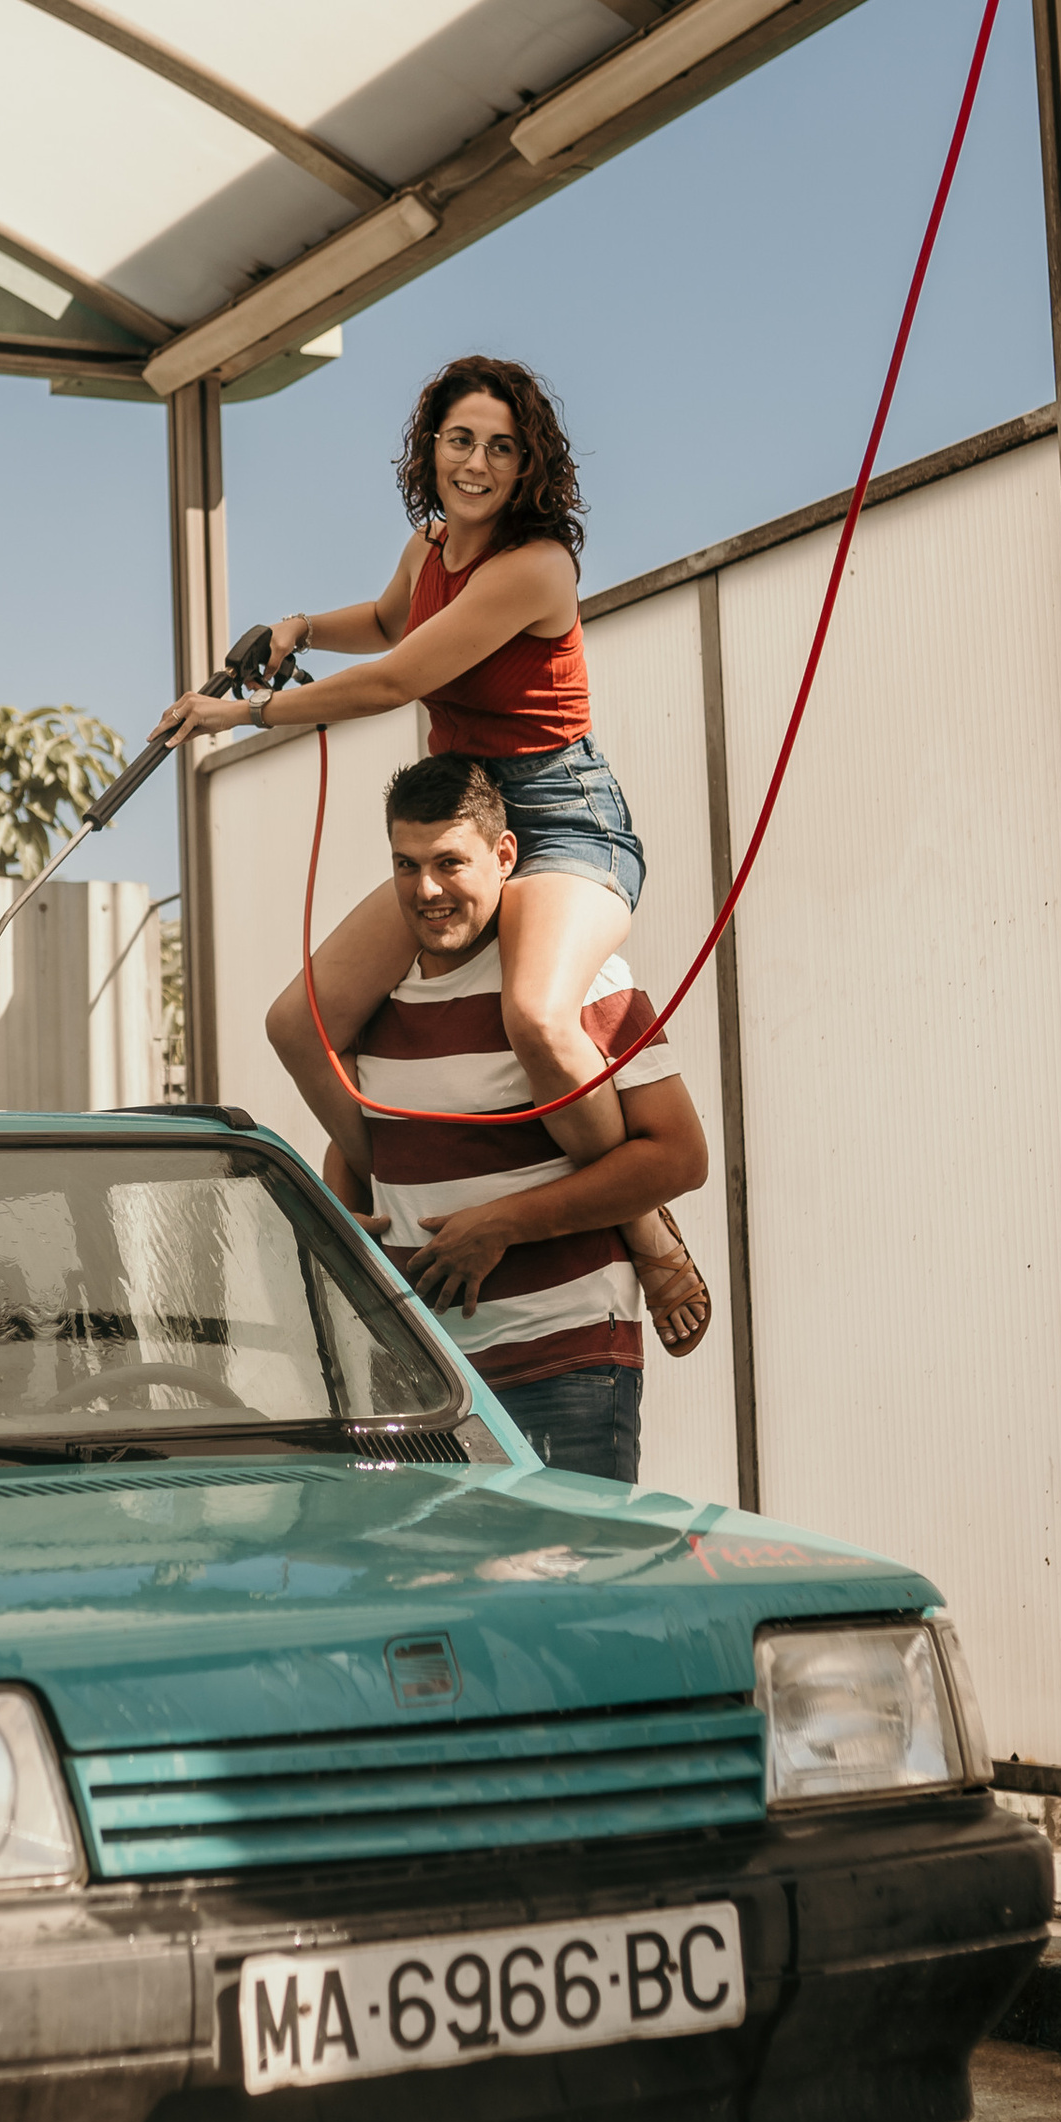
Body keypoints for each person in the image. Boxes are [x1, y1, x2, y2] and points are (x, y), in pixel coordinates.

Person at [151, 350, 703, 1345]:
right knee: (297, 1023)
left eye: (501, 447)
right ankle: (384, 1190)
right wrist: (298, 626)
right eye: (460, 441)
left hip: (562, 818)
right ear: (431, 449)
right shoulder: (430, 547)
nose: (476, 464)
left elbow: (396, 677)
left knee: (537, 1019)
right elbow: (385, 623)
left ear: (529, 464)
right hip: (465, 819)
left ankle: (641, 1220)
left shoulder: (536, 568)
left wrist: (240, 715)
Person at [325, 753, 707, 1481]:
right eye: (406, 866)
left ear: (504, 856)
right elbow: (366, 1143)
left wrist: (501, 1224)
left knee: (573, 1561)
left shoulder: (574, 976)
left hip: (561, 1364)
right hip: (417, 1378)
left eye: (449, 863)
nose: (426, 890)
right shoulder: (374, 993)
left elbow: (679, 1156)